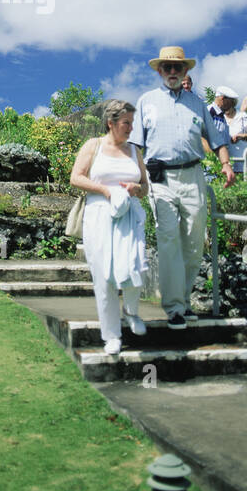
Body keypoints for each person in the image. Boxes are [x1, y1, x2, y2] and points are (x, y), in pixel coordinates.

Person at [131, 46, 235, 329]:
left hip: (193, 177)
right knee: (168, 240)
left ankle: (184, 301)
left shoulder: (197, 103)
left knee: (192, 243)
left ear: (186, 71)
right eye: (168, 67)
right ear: (159, 71)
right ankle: (174, 307)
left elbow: (217, 139)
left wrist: (226, 165)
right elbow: (135, 145)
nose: (173, 72)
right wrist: (139, 176)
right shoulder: (146, 102)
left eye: (178, 68)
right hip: (159, 179)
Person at [70, 99, 150, 356]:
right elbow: (76, 178)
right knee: (104, 276)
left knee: (134, 265)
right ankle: (112, 335)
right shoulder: (93, 146)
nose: (130, 128)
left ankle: (132, 311)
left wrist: (138, 189)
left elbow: (145, 187)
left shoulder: (135, 151)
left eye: (132, 123)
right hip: (100, 215)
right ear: (111, 123)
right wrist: (106, 190)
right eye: (126, 123)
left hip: (130, 216)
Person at [212, 86, 247, 174]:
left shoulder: (243, 116)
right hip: (227, 165)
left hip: (244, 164)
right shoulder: (219, 117)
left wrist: (241, 136)